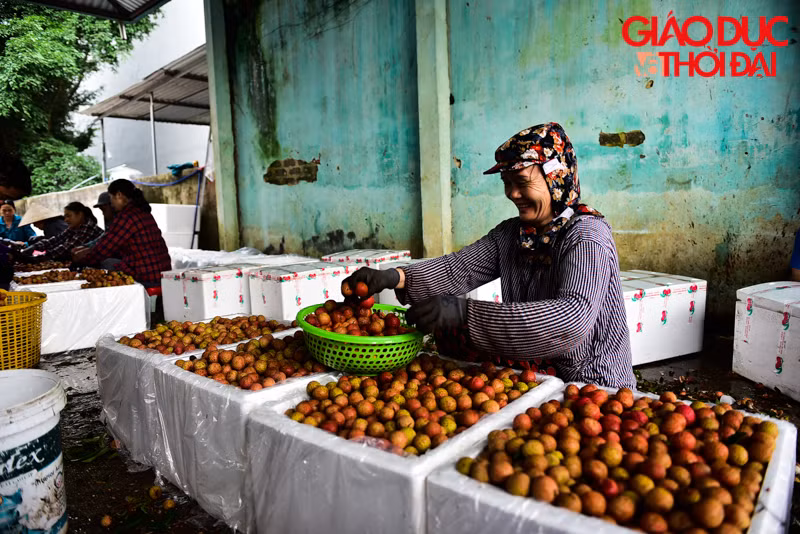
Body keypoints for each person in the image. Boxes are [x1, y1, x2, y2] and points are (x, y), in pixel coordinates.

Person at [344, 122, 635, 388]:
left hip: (594, 384)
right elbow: (458, 269)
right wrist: (394, 277)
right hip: (539, 376)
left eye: (521, 182)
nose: (512, 194)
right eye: (507, 183)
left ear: (556, 178)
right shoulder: (514, 235)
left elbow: (572, 318)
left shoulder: (586, 236)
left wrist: (463, 314)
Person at [73, 179, 171, 287]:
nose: (111, 203)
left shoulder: (127, 216)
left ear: (119, 195)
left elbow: (104, 248)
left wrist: (79, 262)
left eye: (111, 198)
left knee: (106, 263)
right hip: (162, 271)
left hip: (147, 275)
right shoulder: (142, 212)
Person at [20, 202, 103, 262]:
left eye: (69, 216)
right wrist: (35, 246)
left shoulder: (88, 228)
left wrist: (41, 257)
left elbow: (67, 247)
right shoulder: (73, 227)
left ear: (80, 215)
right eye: (65, 216)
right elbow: (57, 239)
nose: (66, 220)